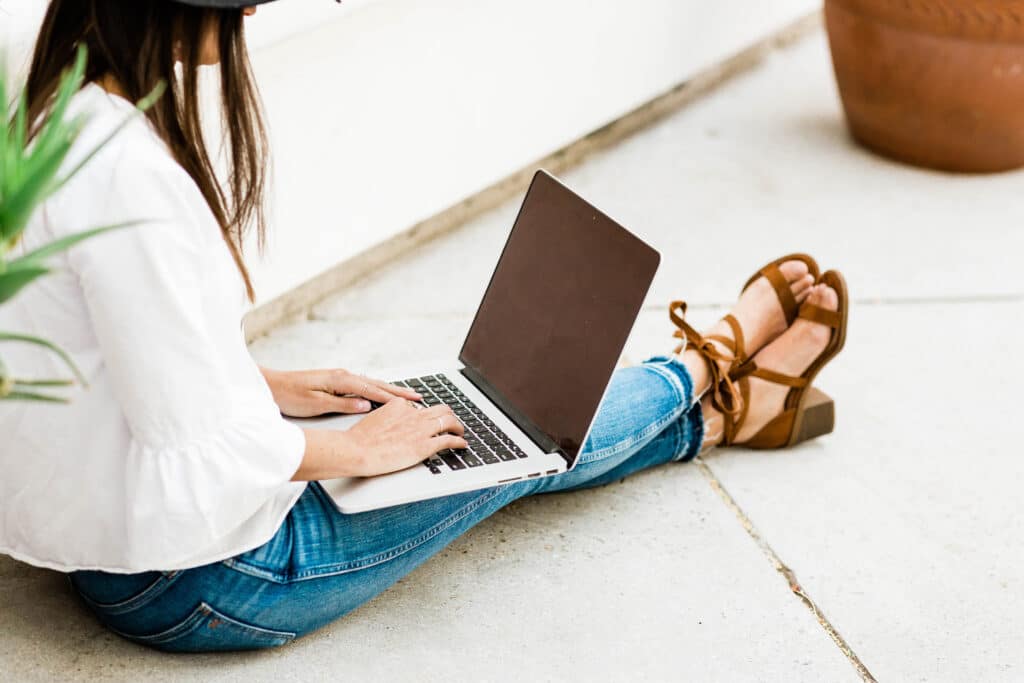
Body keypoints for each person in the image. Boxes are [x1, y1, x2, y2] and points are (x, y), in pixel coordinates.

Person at [0, 0, 848, 653]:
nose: (253, 13)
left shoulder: (55, 120)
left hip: (121, 540)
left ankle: (722, 418)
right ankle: (712, 364)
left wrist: (268, 385)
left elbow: (114, 358)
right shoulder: (128, 182)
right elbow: (193, 449)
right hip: (206, 578)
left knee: (475, 424)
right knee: (514, 443)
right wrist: (351, 449)